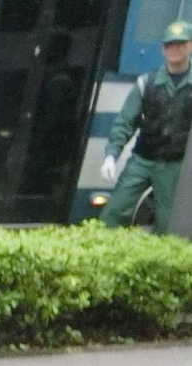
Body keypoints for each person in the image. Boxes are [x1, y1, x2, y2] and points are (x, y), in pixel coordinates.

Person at [101, 20, 192, 233]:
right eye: (169, 45)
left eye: (180, 44)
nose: (175, 49)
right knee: (113, 213)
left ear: (190, 46)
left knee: (171, 226)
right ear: (162, 49)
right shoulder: (146, 82)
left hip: (176, 166)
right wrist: (111, 154)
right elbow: (125, 121)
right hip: (142, 160)